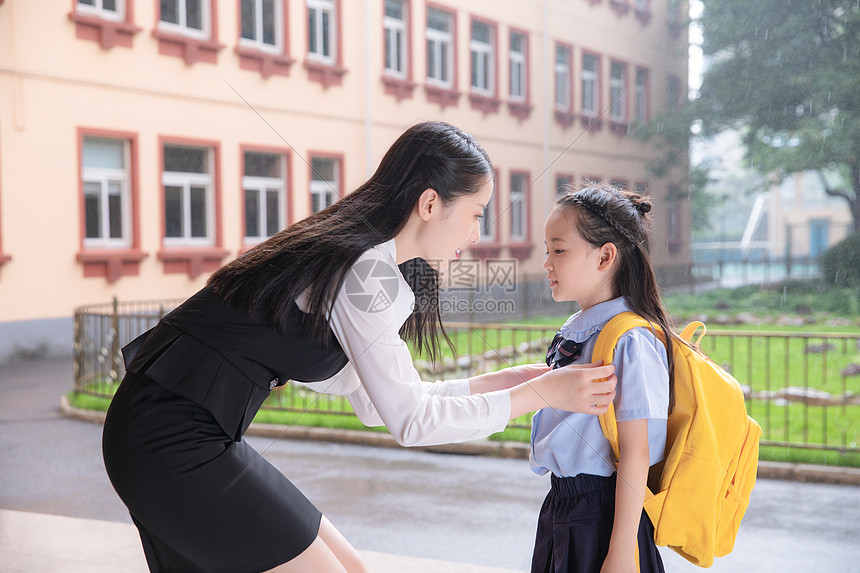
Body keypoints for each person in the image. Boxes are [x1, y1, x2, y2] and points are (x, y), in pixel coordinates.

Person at [102, 121, 618, 573]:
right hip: (165, 440)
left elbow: (382, 405)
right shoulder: (366, 270)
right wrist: (543, 396)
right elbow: (410, 423)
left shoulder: (370, 264)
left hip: (192, 433)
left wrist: (512, 383)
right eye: (477, 212)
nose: (478, 233)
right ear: (431, 202)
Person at [530, 183, 677, 573]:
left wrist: (621, 554)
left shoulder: (630, 340)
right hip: (562, 507)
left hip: (605, 516)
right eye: (548, 251)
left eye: (558, 250)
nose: (547, 263)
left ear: (605, 257)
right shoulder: (579, 330)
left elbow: (636, 454)